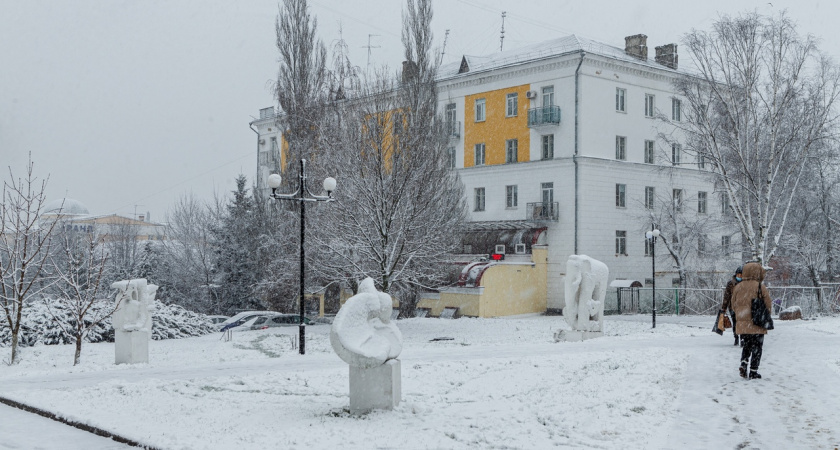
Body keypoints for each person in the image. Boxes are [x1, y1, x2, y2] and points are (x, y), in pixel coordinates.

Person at [731, 261, 773, 379]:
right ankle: (753, 371)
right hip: (758, 322)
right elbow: (768, 304)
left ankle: (743, 363)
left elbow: (733, 305)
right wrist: (765, 315)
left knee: (747, 345)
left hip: (744, 324)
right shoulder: (760, 286)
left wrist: (741, 315)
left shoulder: (738, 287)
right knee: (757, 348)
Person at [720, 266, 743, 346]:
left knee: (742, 323)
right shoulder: (730, 283)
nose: (740, 276)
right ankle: (736, 337)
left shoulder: (746, 283)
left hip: (743, 307)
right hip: (732, 307)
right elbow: (727, 296)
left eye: (741, 275)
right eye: (738, 275)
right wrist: (724, 307)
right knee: (735, 323)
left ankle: (742, 338)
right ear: (736, 274)